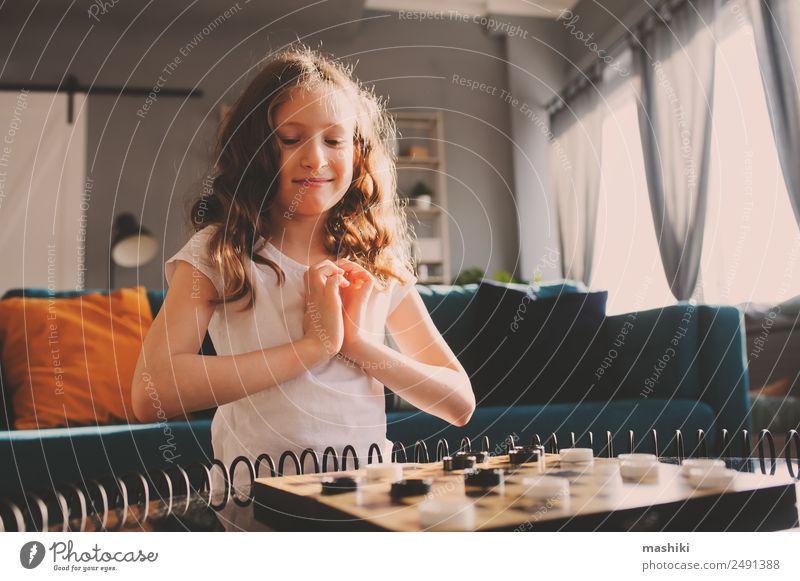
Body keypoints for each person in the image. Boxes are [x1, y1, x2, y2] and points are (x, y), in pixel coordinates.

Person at [131, 47, 475, 504]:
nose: (315, 159)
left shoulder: (377, 258)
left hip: (369, 500)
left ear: (357, 152)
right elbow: (150, 391)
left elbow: (459, 402)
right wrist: (314, 347)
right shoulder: (221, 253)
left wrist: (355, 344)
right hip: (258, 504)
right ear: (255, 150)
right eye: (290, 139)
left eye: (334, 141)